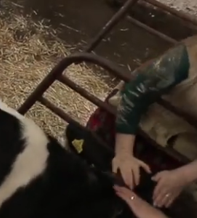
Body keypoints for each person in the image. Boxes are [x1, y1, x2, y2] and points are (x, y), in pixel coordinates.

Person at [75, 36, 197, 209]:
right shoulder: (187, 58)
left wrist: (182, 176)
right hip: (133, 127)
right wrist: (124, 154)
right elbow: (135, 95)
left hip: (178, 153)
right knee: (89, 169)